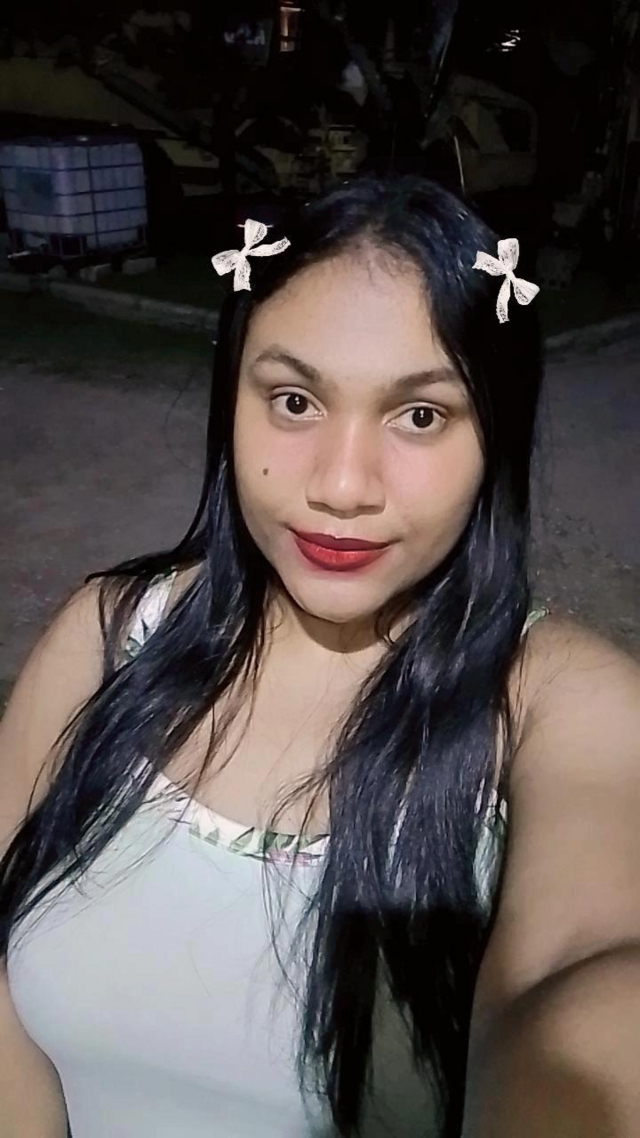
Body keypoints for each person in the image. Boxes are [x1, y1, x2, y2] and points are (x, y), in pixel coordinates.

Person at [1, 175, 640, 1138]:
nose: (342, 486)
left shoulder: (563, 707)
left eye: (420, 416)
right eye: (294, 400)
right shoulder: (110, 636)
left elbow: (586, 975)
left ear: (496, 435)